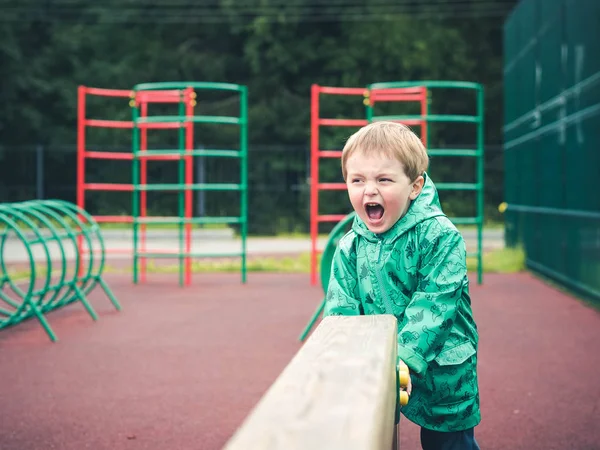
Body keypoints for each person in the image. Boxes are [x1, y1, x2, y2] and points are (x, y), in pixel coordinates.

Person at [323, 121, 481, 450]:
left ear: (415, 186)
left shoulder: (440, 236)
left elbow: (434, 306)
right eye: (357, 180)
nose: (369, 190)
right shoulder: (349, 246)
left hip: (442, 369)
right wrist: (346, 359)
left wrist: (401, 358)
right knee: (373, 434)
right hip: (379, 365)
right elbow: (341, 310)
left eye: (383, 179)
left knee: (449, 444)